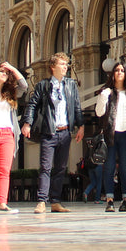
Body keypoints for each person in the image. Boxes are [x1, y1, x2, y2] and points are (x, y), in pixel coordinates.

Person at [22, 52, 82, 214]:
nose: (65, 67)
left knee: (61, 168)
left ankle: (55, 201)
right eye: (62, 64)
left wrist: (80, 126)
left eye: (66, 65)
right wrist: (27, 122)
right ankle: (42, 201)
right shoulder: (43, 85)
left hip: (65, 132)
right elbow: (32, 105)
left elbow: (76, 106)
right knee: (46, 167)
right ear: (53, 67)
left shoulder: (70, 85)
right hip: (49, 132)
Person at [95, 60, 126, 212]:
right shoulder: (107, 92)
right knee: (108, 167)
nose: (119, 73)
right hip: (111, 135)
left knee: (125, 168)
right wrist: (103, 97)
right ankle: (109, 200)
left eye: (122, 70)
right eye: (117, 70)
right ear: (113, 74)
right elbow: (99, 113)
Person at [0, 61, 28, 214]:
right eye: (1, 71)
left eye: (6, 73)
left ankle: (2, 203)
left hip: (8, 134)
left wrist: (13, 69)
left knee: (4, 170)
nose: (4, 74)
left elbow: (24, 86)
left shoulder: (11, 93)